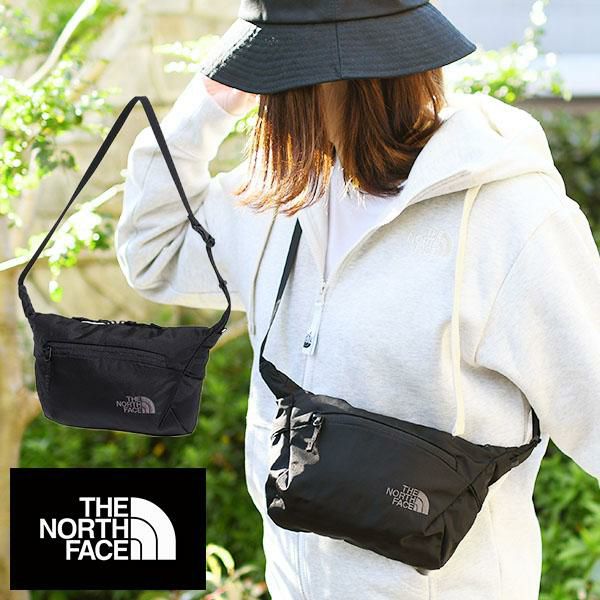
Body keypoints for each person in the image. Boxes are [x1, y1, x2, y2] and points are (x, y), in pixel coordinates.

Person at [115, 1, 600, 598]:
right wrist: (209, 101)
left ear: (317, 79)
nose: (263, 97)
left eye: (272, 72)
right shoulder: (282, 196)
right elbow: (154, 250)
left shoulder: (511, 221)